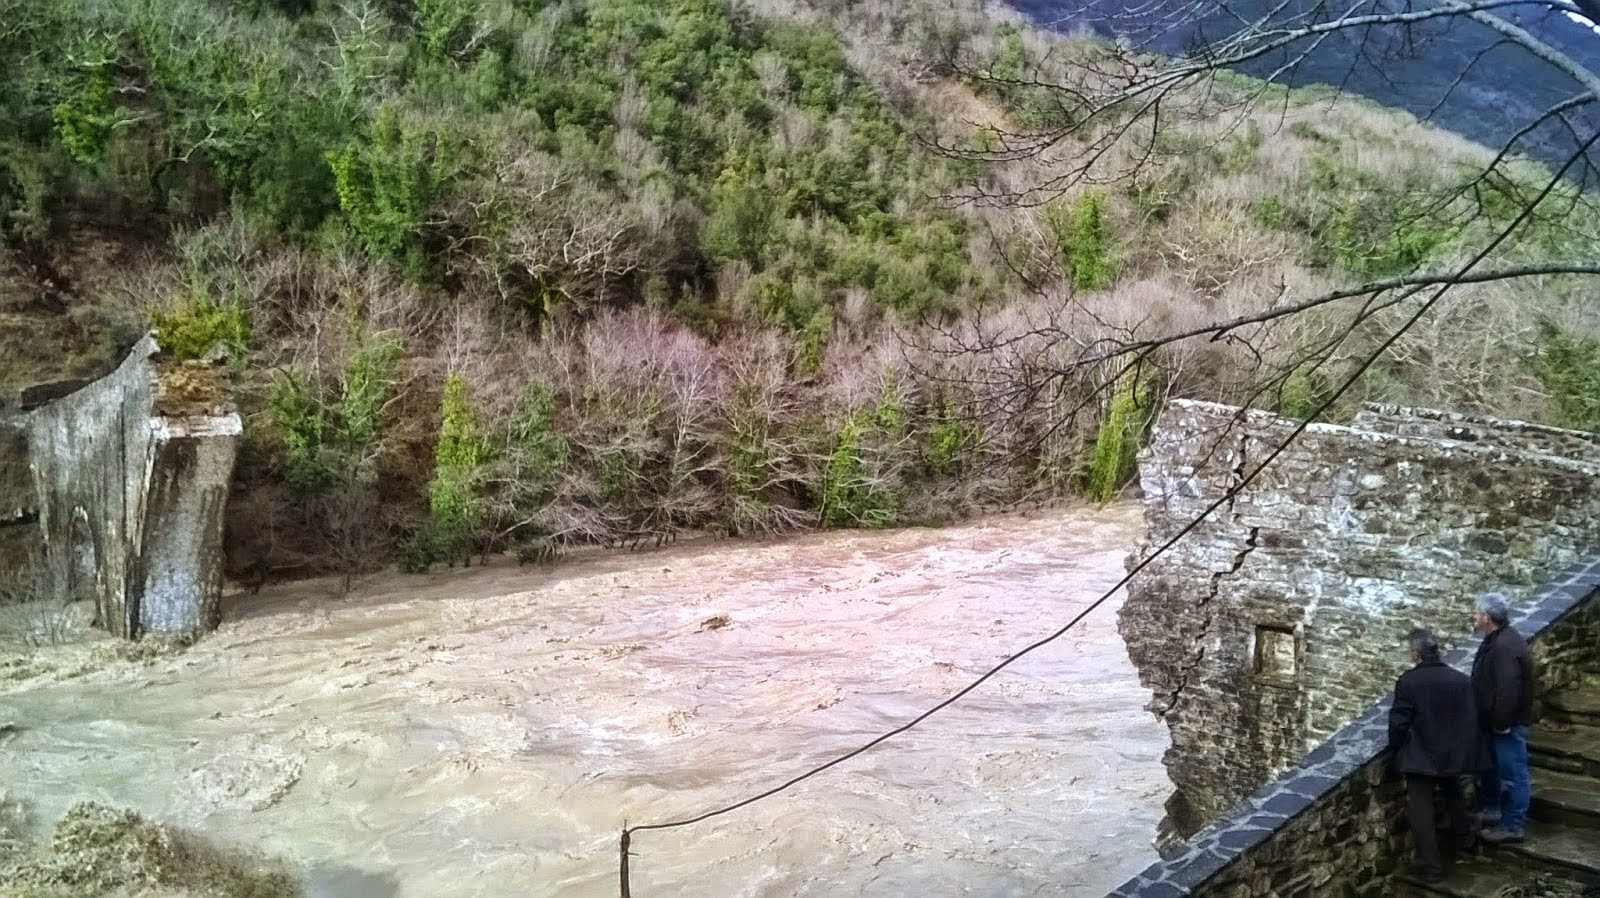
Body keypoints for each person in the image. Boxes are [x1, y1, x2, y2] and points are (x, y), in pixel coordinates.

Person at [1389, 628, 1480, 882]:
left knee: (1421, 811)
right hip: (1452, 753)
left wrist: (1396, 751)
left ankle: (1431, 865)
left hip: (1420, 756)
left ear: (1416, 654)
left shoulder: (1408, 682)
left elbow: (1399, 723)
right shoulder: (1460, 680)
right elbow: (1470, 720)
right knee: (1455, 795)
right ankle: (1466, 836)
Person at [1470, 591, 1536, 845]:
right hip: (1494, 723)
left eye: (1476, 612)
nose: (1473, 616)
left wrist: (1501, 723)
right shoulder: (1498, 639)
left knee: (1513, 774)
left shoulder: (1504, 646)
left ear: (1487, 617)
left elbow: (1508, 689)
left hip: (1505, 725)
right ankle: (1492, 809)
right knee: (1493, 769)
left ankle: (1512, 825)